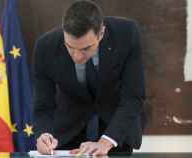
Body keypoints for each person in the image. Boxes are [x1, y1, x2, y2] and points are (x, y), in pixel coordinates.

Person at [32, 0, 145, 156]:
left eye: (86, 48)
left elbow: (133, 97)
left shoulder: (127, 34)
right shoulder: (45, 47)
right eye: (70, 47)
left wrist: (106, 142)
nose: (77, 57)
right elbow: (43, 106)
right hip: (68, 133)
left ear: (101, 33)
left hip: (115, 131)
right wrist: (43, 134)